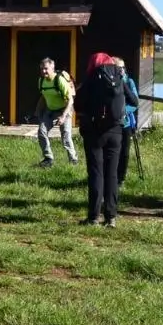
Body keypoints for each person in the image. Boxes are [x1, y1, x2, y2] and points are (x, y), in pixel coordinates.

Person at [73, 52, 134, 227]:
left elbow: (78, 104)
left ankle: (93, 217)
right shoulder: (119, 78)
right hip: (116, 132)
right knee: (112, 174)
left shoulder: (91, 78)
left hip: (94, 133)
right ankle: (111, 217)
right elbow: (134, 100)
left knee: (96, 174)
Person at [32, 58, 78, 168]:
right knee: (41, 132)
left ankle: (73, 159)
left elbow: (70, 100)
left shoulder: (59, 80)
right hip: (50, 110)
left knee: (66, 136)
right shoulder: (41, 81)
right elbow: (43, 96)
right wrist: (38, 111)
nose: (44, 71)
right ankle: (48, 158)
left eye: (46, 69)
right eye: (42, 69)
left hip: (64, 110)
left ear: (52, 68)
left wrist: (63, 116)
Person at [114, 56, 138, 186]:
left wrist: (122, 112)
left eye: (123, 67)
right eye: (119, 67)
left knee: (124, 152)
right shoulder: (108, 81)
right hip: (112, 123)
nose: (122, 70)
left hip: (126, 122)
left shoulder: (129, 82)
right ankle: (111, 176)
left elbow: (135, 103)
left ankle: (121, 178)